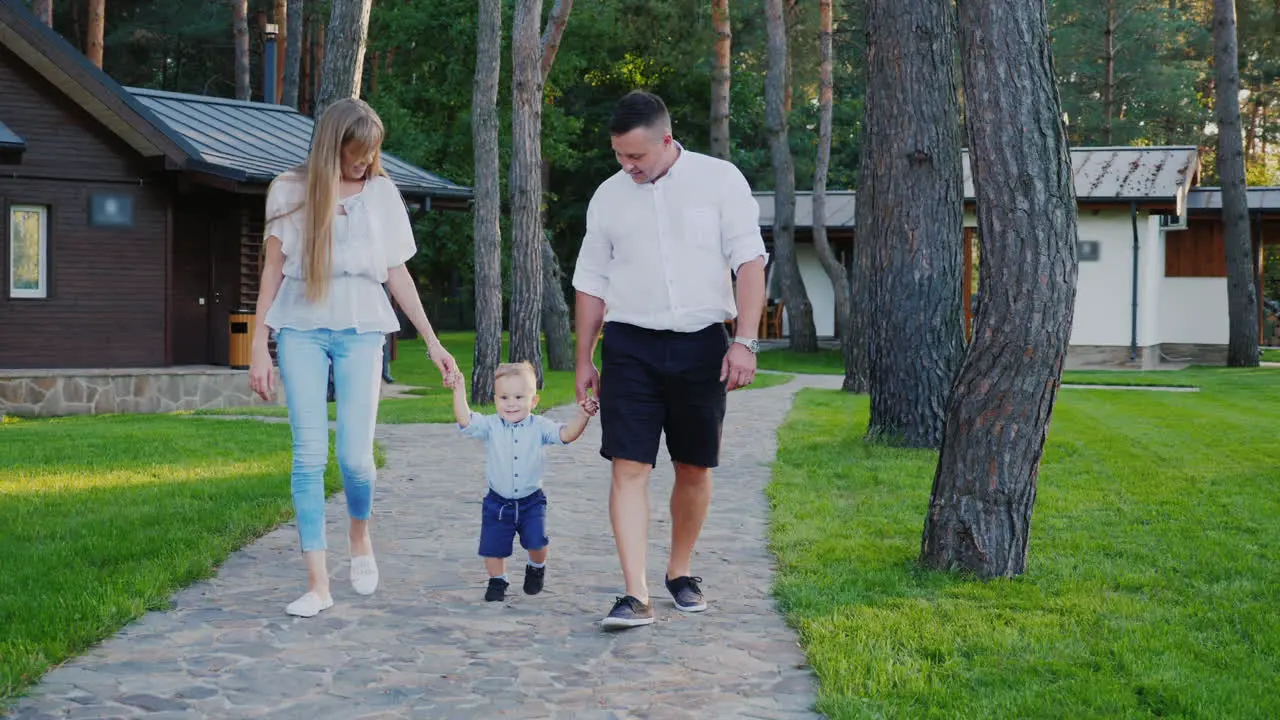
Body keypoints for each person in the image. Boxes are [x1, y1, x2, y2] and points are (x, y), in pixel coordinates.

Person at [248, 98, 458, 618]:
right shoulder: (289, 190)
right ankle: (318, 584)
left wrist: (432, 341)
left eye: (371, 154)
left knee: (356, 460)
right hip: (300, 329)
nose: (364, 163)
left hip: (364, 329)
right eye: (356, 154)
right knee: (308, 456)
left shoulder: (382, 193)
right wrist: (259, 344)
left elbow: (397, 273)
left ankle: (359, 534)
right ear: (331, 147)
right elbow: (272, 272)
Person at [571, 90, 768, 630]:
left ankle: (679, 572)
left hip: (702, 342)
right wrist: (584, 358)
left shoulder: (720, 180)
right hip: (629, 345)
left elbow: (749, 261)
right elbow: (590, 283)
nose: (626, 166)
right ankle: (634, 594)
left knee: (694, 467)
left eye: (635, 156)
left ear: (666, 139)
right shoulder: (608, 197)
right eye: (618, 156)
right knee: (629, 466)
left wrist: (744, 341)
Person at [446, 362, 596, 602]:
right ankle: (498, 580)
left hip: (531, 502)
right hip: (498, 503)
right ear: (495, 399)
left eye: (518, 397)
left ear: (533, 401)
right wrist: (458, 389)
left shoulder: (539, 426)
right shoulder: (491, 425)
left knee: (536, 541)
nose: (511, 403)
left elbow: (566, 435)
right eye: (504, 397)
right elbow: (466, 421)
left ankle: (536, 566)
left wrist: (583, 415)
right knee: (492, 548)